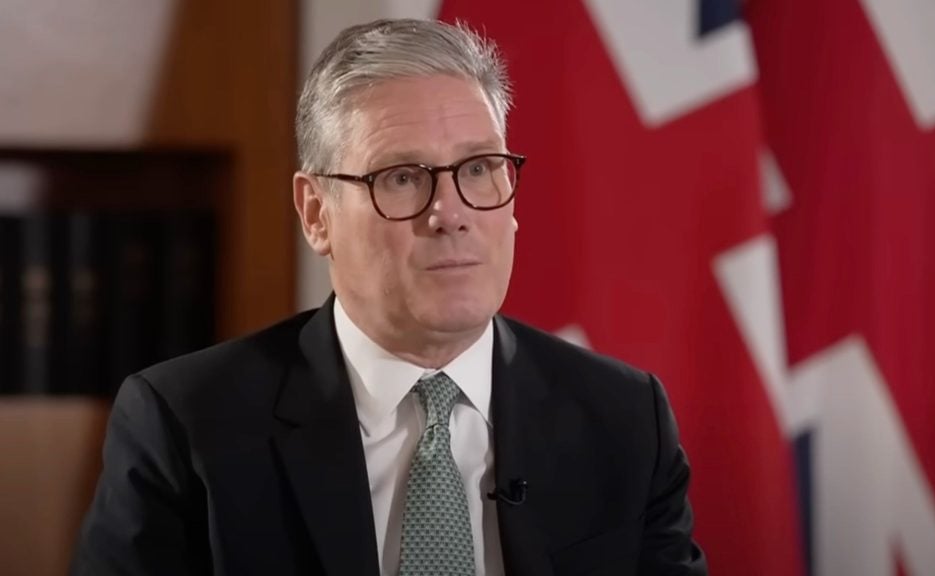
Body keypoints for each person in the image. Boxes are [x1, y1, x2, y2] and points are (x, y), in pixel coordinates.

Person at [71, 18, 707, 576]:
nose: (450, 213)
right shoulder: (185, 426)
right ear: (316, 212)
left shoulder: (624, 419)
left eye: (480, 168)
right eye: (403, 178)